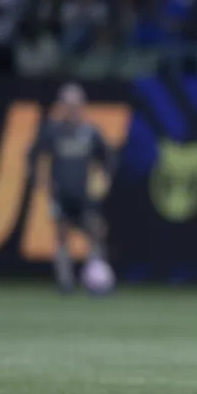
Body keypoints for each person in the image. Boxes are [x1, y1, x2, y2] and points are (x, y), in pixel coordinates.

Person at [27, 83, 115, 293]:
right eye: (68, 104)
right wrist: (38, 179)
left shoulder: (90, 131)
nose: (73, 108)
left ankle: (95, 278)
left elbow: (109, 156)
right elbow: (32, 155)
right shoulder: (52, 130)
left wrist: (105, 176)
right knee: (62, 235)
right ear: (62, 106)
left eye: (76, 104)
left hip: (85, 195)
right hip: (61, 193)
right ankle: (65, 282)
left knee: (96, 231)